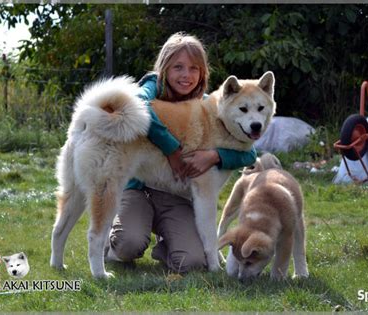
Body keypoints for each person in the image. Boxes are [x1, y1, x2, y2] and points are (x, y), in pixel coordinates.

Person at [106, 32, 257, 273]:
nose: (186, 75)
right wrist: (172, 149)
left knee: (192, 263)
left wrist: (215, 156)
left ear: (202, 73)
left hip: (177, 199)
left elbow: (250, 154)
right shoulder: (152, 86)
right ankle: (111, 244)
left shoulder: (210, 104)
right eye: (178, 67)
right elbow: (136, 105)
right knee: (128, 246)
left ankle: (165, 245)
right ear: (164, 68)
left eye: (193, 68)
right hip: (139, 190)